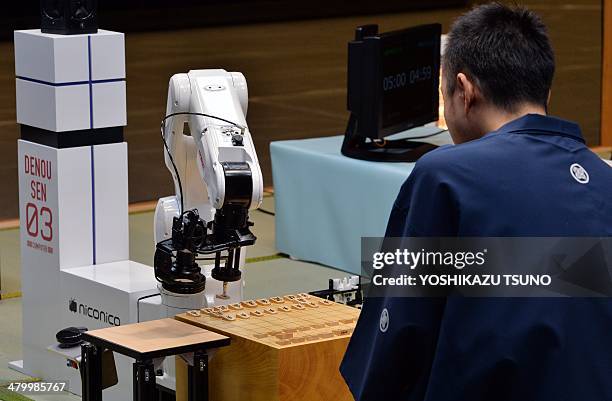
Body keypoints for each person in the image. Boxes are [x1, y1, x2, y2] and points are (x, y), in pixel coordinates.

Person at [340, 3, 612, 401]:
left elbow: (396, 340)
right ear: (546, 93)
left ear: (464, 92)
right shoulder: (605, 178)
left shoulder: (445, 177)